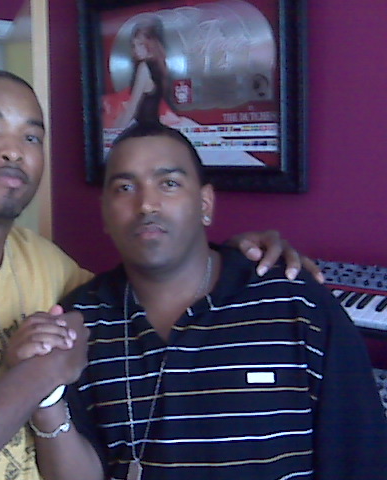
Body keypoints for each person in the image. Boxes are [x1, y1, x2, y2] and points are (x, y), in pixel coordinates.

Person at [0, 71, 322, 480]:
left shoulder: (43, 262)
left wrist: (233, 259)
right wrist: (38, 375)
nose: (13, 150)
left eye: (31, 136)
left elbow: (147, 283)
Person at [19, 122, 387, 480]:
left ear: (205, 203)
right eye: (125, 187)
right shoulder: (81, 322)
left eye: (169, 183)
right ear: (105, 213)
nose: (146, 204)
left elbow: (361, 458)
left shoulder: (297, 304)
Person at [113, 16, 180, 129]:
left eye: (140, 44)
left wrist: (114, 133)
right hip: (153, 127)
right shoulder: (159, 66)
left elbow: (132, 108)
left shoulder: (144, 68)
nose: (136, 50)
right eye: (134, 46)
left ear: (150, 44)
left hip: (144, 129)